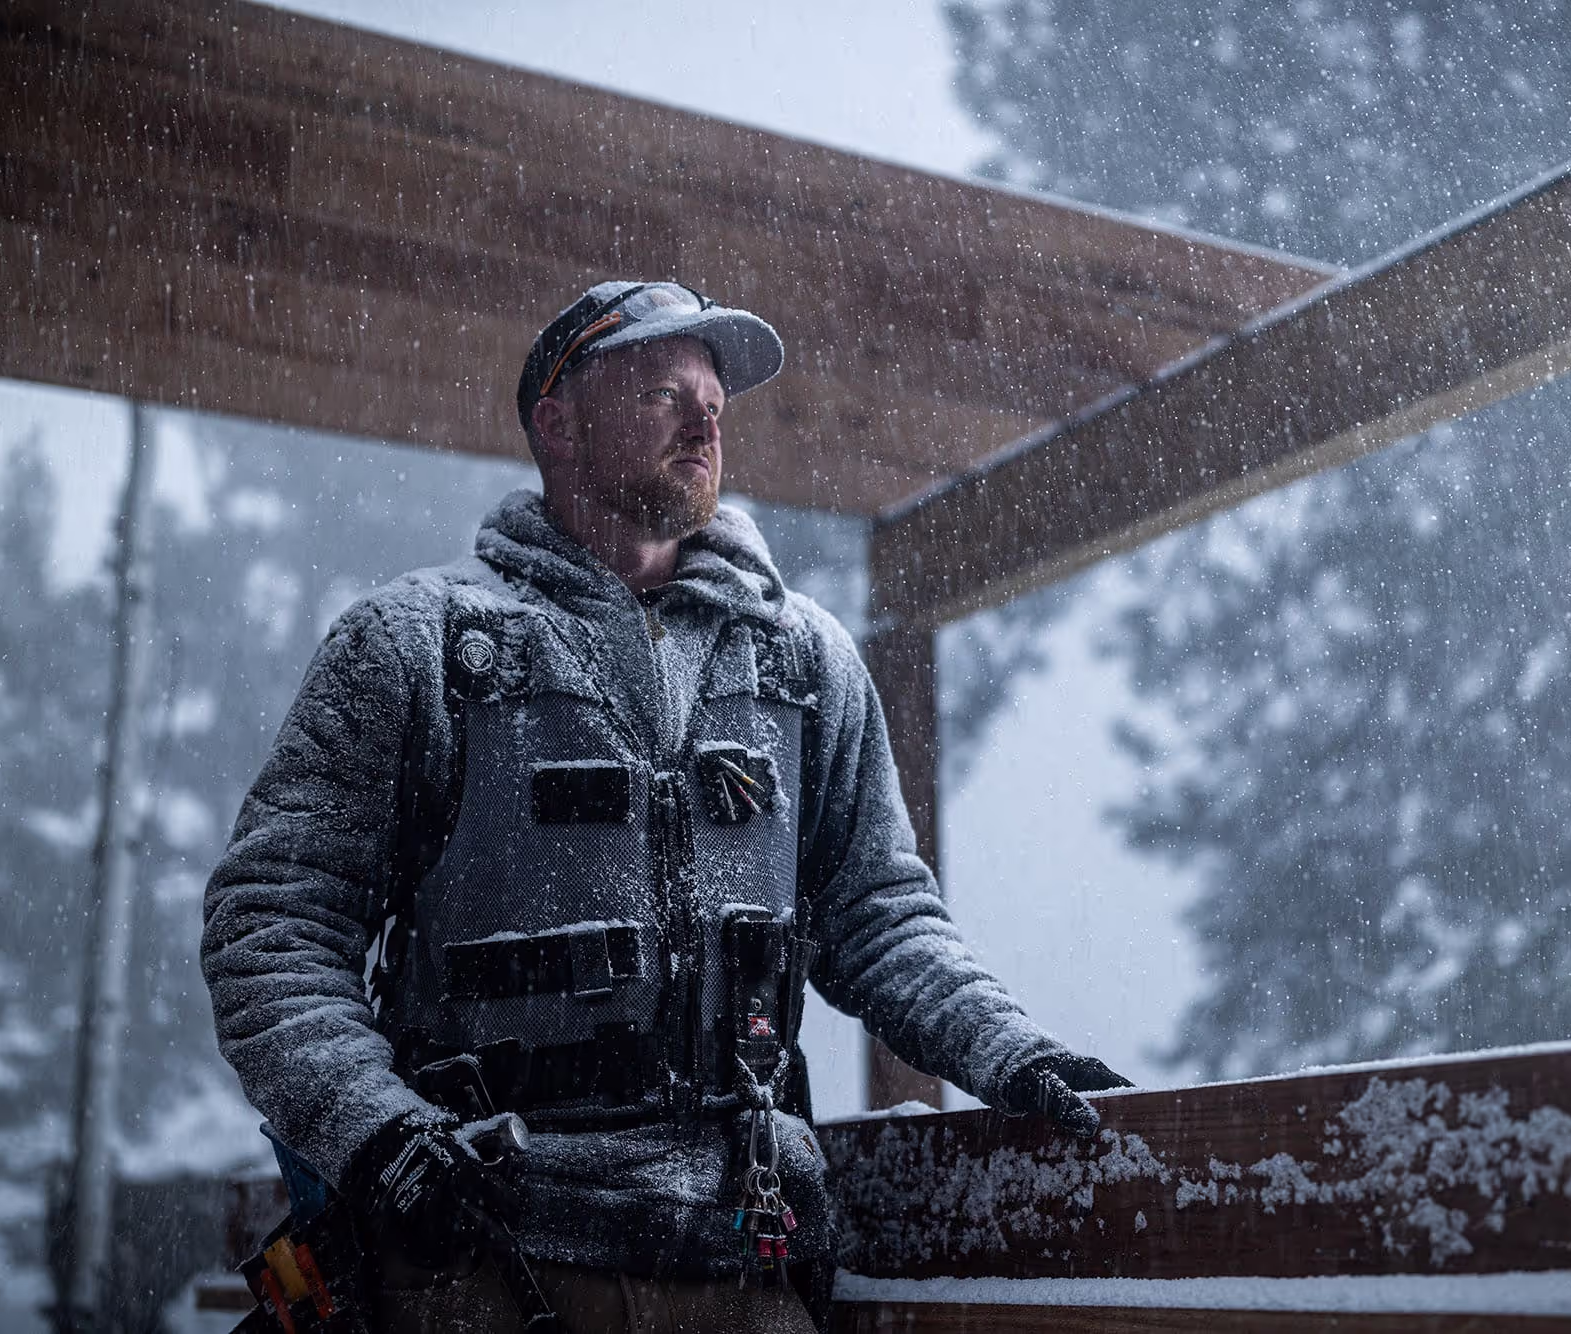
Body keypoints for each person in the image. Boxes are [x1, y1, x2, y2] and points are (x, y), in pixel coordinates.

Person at [201, 280, 1130, 1333]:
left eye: (714, 404)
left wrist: (1009, 1049)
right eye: (660, 392)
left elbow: (879, 913)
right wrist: (378, 1134)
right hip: (484, 1262)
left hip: (748, 1258)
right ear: (556, 422)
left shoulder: (804, 660)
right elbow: (272, 924)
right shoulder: (414, 644)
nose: (704, 420)